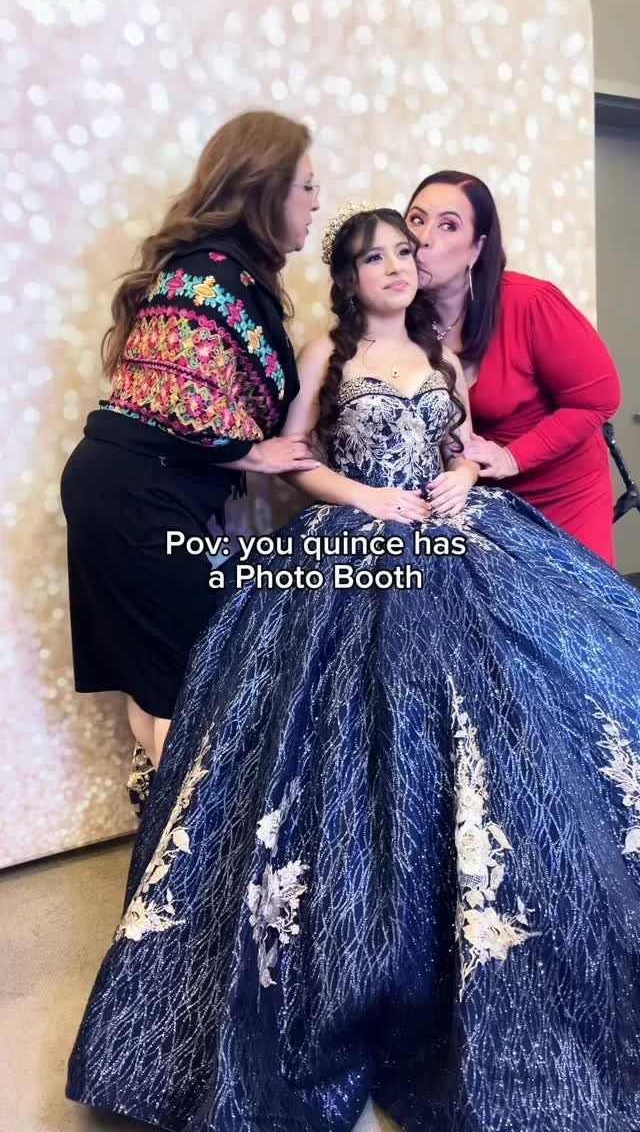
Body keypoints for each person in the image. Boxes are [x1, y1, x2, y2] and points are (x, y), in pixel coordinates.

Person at [66, 207, 640, 1132]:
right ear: (350, 276)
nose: (398, 267)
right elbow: (295, 461)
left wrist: (462, 479)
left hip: (456, 537)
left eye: (406, 252)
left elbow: (459, 447)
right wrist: (367, 497)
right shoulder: (327, 353)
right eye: (377, 257)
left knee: (525, 695)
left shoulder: (443, 354)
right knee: (337, 723)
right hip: (354, 544)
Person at [60, 110, 321, 780]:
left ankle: (167, 830)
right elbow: (184, 399)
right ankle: (190, 835)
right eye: (307, 187)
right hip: (136, 496)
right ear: (267, 189)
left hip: (121, 487)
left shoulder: (220, 270)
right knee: (194, 682)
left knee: (157, 679)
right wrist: (257, 454)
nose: (316, 203)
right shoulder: (213, 272)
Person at [405, 169, 621, 565]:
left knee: (571, 601)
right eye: (416, 219)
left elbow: (599, 399)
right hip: (480, 498)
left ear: (477, 248)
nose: (423, 238)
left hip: (563, 495)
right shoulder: (397, 319)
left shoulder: (531, 303)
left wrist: (512, 457)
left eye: (448, 225)